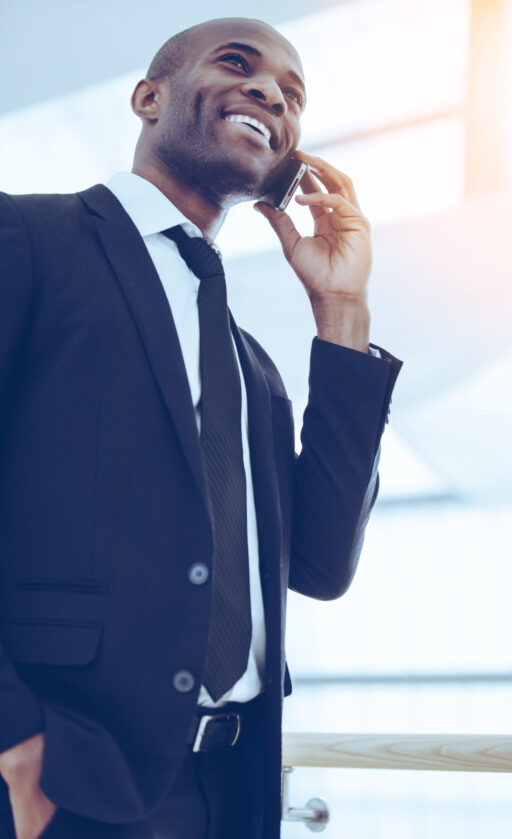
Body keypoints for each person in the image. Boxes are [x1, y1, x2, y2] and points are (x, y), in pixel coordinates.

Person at [0, 16, 402, 839]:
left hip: (232, 788)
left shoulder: (249, 363)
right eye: (238, 65)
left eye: (292, 98)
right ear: (150, 98)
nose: (271, 95)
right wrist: (14, 737)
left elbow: (321, 563)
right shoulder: (27, 240)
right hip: (66, 783)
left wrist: (342, 311)